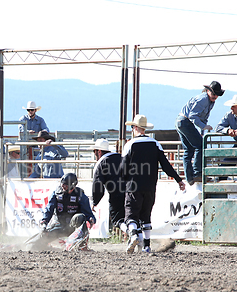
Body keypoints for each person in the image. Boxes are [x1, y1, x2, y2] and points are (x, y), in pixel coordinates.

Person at [121, 115, 185, 254]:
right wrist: (178, 179)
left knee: (131, 215)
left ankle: (133, 236)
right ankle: (146, 246)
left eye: (132, 126)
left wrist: (124, 180)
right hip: (150, 186)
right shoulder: (155, 144)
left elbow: (123, 168)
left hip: (134, 185)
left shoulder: (129, 144)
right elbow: (166, 165)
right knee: (146, 215)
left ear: (136, 128)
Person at [25, 173, 96, 251]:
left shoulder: (80, 196)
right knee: (32, 246)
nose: (63, 186)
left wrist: (91, 219)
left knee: (79, 217)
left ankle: (80, 246)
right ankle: (49, 247)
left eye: (65, 185)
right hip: (59, 226)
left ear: (72, 185)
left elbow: (88, 214)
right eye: (62, 184)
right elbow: (49, 209)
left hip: (73, 227)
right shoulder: (56, 193)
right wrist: (44, 223)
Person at [175, 81, 224, 186]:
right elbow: (193, 116)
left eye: (217, 94)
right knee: (200, 146)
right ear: (208, 91)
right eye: (213, 93)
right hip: (185, 121)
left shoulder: (209, 101)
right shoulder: (203, 100)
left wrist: (202, 130)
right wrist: (203, 127)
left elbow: (203, 118)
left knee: (189, 150)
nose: (215, 96)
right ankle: (197, 173)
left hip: (181, 121)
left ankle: (190, 178)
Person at [91, 139, 125, 233]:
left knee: (117, 219)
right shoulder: (122, 157)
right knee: (132, 217)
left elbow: (98, 185)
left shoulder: (101, 163)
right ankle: (141, 238)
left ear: (99, 151)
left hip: (116, 195)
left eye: (94, 151)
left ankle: (132, 233)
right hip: (133, 192)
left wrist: (95, 202)